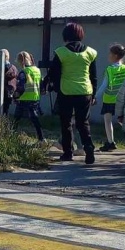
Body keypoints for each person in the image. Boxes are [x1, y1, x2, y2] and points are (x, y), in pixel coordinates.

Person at [48, 23, 98, 164]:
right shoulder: (91, 52)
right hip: (85, 91)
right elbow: (93, 76)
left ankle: (68, 152)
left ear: (65, 35)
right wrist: (93, 94)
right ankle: (89, 150)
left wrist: (55, 88)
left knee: (66, 123)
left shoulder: (60, 52)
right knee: (83, 123)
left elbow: (54, 74)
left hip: (66, 91)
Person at [96, 43, 125, 152]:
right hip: (122, 99)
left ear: (115, 56)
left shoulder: (109, 69)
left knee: (108, 121)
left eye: (110, 54)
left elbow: (104, 85)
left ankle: (110, 142)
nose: (108, 56)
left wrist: (95, 97)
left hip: (109, 98)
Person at [11, 51, 44, 140]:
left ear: (20, 61)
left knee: (16, 119)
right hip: (35, 98)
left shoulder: (24, 72)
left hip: (24, 99)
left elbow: (20, 87)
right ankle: (41, 138)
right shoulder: (37, 70)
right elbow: (41, 85)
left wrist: (15, 97)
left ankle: (11, 137)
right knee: (35, 120)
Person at [0, 49, 18, 116]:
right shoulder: (14, 68)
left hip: (3, 92)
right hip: (9, 93)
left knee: (1, 112)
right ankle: (4, 124)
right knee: (5, 110)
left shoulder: (2, 68)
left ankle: (2, 124)